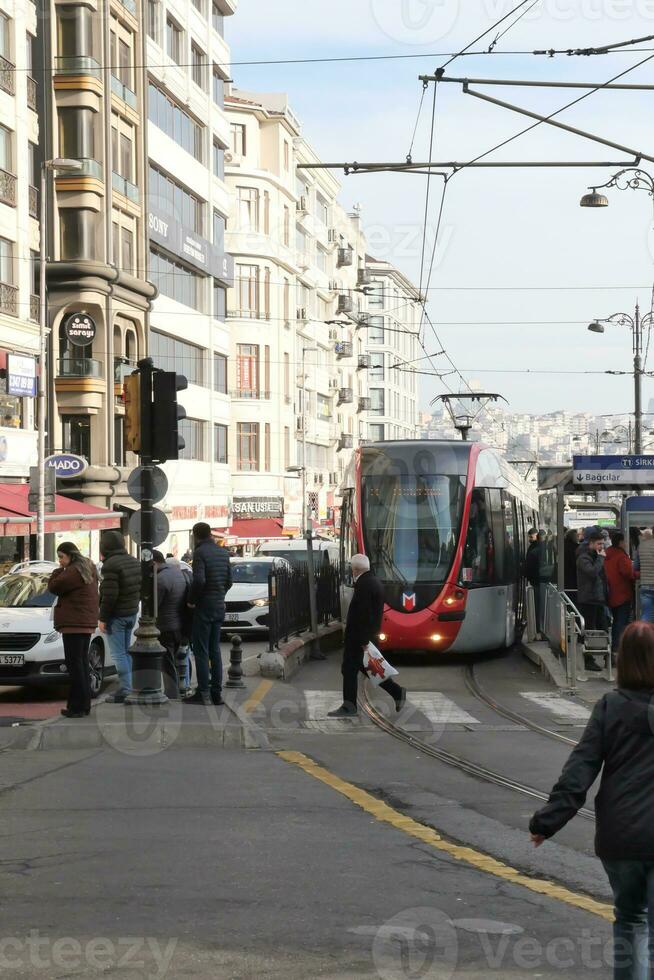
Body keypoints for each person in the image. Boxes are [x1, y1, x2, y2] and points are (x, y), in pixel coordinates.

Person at [530, 621, 654, 979]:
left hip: (621, 837)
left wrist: (546, 823)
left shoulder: (609, 707)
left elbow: (579, 771)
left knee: (630, 921)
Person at [329, 554, 406, 718]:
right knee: (369, 669)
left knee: (350, 669)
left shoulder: (364, 585)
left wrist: (363, 641)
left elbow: (363, 615)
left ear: (355, 569)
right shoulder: (373, 581)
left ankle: (349, 706)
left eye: (352, 568)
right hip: (365, 637)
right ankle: (397, 692)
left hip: (360, 638)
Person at [48, 542, 99, 718]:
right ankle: (83, 705)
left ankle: (78, 707)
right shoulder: (87, 567)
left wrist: (57, 571)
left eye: (61, 557)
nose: (60, 561)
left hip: (74, 623)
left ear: (70, 555)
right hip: (84, 623)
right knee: (81, 664)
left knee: (75, 665)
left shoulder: (73, 571)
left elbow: (54, 587)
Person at [186, 522, 232, 706]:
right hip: (219, 606)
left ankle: (203, 692)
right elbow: (229, 580)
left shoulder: (200, 553)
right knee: (215, 650)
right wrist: (219, 594)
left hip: (204, 606)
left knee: (201, 650)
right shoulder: (223, 552)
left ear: (196, 536)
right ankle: (216, 694)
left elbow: (199, 580)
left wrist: (192, 600)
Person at [98, 529, 141, 703]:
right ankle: (129, 686)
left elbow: (109, 595)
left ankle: (125, 689)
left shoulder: (111, 565)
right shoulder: (133, 561)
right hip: (131, 612)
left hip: (117, 616)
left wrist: (103, 618)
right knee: (126, 652)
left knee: (118, 655)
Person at [153, 550, 190, 700]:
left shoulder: (160, 579)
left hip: (165, 625)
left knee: (167, 663)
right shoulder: (177, 573)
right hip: (179, 624)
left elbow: (155, 605)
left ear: (154, 563)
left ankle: (172, 693)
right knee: (177, 659)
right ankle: (182, 688)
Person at [605, 530, 636, 655]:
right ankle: (617, 648)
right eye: (624, 541)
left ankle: (613, 647)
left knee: (615, 620)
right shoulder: (621, 556)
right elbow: (628, 573)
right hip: (622, 594)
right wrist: (639, 574)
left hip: (609, 593)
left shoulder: (606, 554)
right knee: (621, 622)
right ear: (620, 542)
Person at [525, 528, 544, 635]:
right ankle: (539, 628)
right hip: (540, 581)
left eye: (531, 537)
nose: (530, 539)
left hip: (536, 581)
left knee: (537, 606)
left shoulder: (534, 550)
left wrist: (528, 576)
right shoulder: (543, 548)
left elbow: (529, 567)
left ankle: (538, 628)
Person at [635, 528, 654, 623]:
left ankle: (645, 637)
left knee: (646, 614)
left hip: (645, 585)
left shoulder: (641, 546)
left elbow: (635, 567)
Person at [563, 528, 580, 594]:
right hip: (572, 577)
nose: (578, 538)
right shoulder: (576, 548)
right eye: (577, 536)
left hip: (565, 576)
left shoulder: (562, 546)